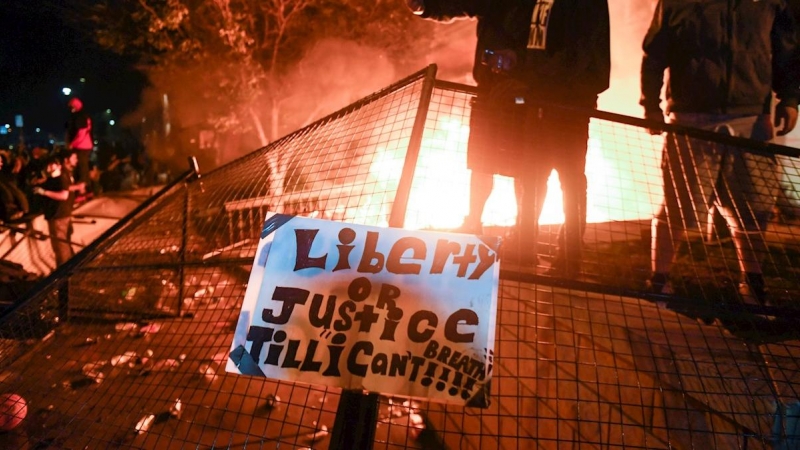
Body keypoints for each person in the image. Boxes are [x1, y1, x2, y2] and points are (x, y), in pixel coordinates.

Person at [406, 0, 610, 277]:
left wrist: (525, 74)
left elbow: (577, 54)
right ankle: (525, 245)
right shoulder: (543, 5)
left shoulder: (575, 6)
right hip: (528, 94)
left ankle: (567, 256)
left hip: (566, 101)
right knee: (529, 171)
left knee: (567, 177)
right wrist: (424, 5)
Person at [641, 0, 800, 305]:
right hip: (691, 120)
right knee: (677, 206)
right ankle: (658, 281)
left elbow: (786, 52)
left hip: (750, 120)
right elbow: (655, 54)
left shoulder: (769, 3)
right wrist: (651, 106)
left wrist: (789, 99)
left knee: (754, 208)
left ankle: (752, 285)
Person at [33, 154, 75, 267]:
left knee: (61, 246)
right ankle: (64, 270)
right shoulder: (52, 179)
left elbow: (64, 195)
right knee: (57, 245)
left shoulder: (61, 178)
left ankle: (64, 272)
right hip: (54, 215)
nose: (49, 168)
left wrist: (44, 192)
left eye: (52, 165)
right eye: (48, 165)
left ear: (59, 166)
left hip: (59, 216)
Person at [65, 97, 93, 184]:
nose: (70, 108)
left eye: (71, 106)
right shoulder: (82, 115)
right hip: (83, 145)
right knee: (82, 168)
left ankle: (84, 189)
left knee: (81, 169)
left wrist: (72, 144)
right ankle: (85, 188)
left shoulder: (80, 116)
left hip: (81, 146)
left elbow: (82, 133)